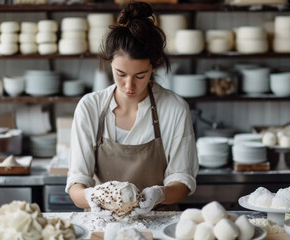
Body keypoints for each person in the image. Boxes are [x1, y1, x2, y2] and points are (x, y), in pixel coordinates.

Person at [66, 1, 198, 215]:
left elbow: (182, 180)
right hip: (104, 223)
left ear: (154, 66)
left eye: (140, 75)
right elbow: (76, 184)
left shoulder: (174, 108)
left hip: (158, 220)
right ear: (109, 63)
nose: (129, 86)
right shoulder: (90, 108)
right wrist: (93, 197)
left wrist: (159, 194)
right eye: (120, 74)